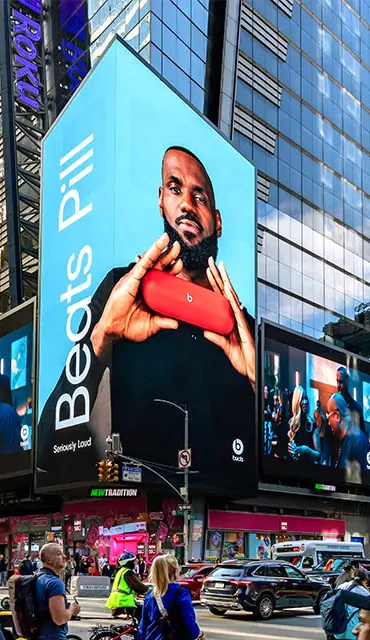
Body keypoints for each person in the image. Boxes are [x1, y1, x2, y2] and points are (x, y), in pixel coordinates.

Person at [36, 146, 256, 489]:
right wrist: (103, 335)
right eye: (175, 188)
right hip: (136, 507)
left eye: (200, 197)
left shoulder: (242, 328)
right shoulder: (120, 290)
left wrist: (257, 382)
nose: (186, 204)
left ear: (218, 220)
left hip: (224, 509)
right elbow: (45, 452)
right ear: (160, 201)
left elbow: (275, 462)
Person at [325, 393, 370, 485]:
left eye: (329, 416)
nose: (328, 423)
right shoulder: (337, 440)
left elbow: (368, 483)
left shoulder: (359, 441)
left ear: (337, 416)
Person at [106, 552, 149, 621]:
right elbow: (139, 587)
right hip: (124, 602)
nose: (135, 563)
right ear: (128, 562)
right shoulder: (128, 572)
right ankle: (142, 631)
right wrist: (151, 591)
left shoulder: (120, 571)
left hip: (116, 602)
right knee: (145, 616)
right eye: (133, 561)